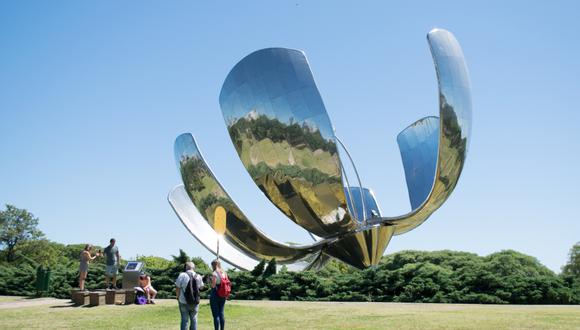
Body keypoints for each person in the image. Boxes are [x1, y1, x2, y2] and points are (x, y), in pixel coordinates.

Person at [175, 261, 204, 330]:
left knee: (184, 320)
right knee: (194, 319)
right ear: (193, 267)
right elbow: (201, 287)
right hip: (195, 301)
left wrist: (177, 297)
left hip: (183, 301)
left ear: (186, 267)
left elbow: (177, 287)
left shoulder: (182, 275)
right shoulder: (198, 276)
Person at [210, 259, 228, 330]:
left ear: (214, 265)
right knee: (221, 313)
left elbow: (213, 285)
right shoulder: (224, 273)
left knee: (216, 315)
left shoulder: (214, 273)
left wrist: (210, 282)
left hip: (215, 294)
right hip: (223, 294)